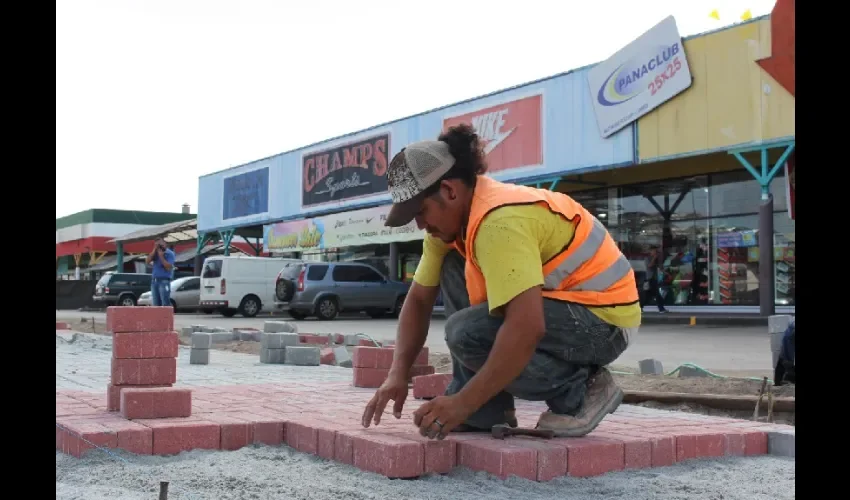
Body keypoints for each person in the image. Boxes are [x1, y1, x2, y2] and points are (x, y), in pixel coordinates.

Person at [361, 125, 641, 440]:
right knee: (453, 267)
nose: (420, 224)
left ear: (450, 191)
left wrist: (460, 404)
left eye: (421, 211)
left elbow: (526, 327)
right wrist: (397, 374)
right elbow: (419, 300)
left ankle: (580, 392)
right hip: (565, 308)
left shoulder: (499, 221)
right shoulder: (452, 225)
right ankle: (488, 410)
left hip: (605, 320)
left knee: (465, 333)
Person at [146, 238, 176, 307]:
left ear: (165, 244)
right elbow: (147, 261)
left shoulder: (170, 254)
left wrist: (161, 256)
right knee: (156, 304)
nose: (159, 246)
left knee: (165, 303)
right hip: (154, 281)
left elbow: (168, 267)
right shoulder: (155, 253)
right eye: (157, 245)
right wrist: (154, 250)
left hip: (164, 281)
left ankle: (165, 317)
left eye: (160, 244)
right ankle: (157, 317)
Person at [647, 247, 668, 313]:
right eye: (654, 251)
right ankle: (661, 308)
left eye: (656, 252)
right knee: (655, 294)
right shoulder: (648, 258)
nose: (655, 253)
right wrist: (654, 258)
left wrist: (666, 273)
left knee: (656, 293)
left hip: (656, 278)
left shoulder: (658, 259)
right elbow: (649, 266)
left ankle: (661, 308)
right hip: (650, 278)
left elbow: (660, 267)